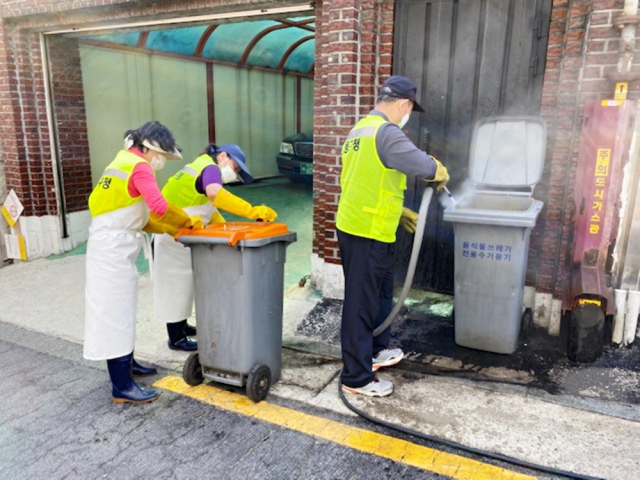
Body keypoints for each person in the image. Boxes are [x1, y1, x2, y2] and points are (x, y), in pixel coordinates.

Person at [336, 76, 450, 397]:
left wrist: (398, 212)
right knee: (360, 305)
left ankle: (373, 351)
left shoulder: (360, 129)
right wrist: (437, 169)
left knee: (380, 293)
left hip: (366, 227)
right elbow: (419, 163)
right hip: (365, 233)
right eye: (410, 109)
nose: (408, 115)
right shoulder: (386, 132)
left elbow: (361, 181)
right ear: (404, 104)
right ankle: (356, 377)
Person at [84, 121, 201, 404]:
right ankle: (122, 386)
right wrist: (185, 220)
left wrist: (172, 230)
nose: (161, 161)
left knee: (121, 310)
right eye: (162, 155)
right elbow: (159, 206)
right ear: (150, 147)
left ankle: (129, 365)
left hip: (111, 246)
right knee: (115, 313)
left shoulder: (121, 162)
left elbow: (140, 218)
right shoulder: (139, 166)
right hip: (112, 251)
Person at [153, 143, 278, 351]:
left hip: (181, 234)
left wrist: (235, 229)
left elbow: (212, 214)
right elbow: (214, 194)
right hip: (171, 235)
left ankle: (182, 326)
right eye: (235, 167)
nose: (234, 172)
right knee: (174, 286)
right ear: (223, 156)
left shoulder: (201, 167)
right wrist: (251, 211)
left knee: (186, 284)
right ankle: (175, 338)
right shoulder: (210, 168)